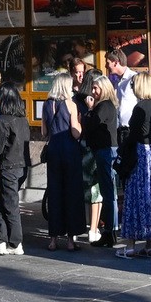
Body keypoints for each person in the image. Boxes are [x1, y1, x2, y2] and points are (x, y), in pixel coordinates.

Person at [116, 72, 151, 259]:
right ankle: (149, 245)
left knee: (135, 197)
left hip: (142, 156)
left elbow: (133, 135)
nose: (132, 88)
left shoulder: (139, 107)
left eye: (133, 85)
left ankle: (131, 246)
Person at [42, 75, 85, 251]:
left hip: (53, 150)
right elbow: (75, 133)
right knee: (71, 193)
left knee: (55, 192)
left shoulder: (46, 104)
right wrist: (81, 123)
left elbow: (44, 131)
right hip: (69, 150)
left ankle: (53, 239)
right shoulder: (71, 104)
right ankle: (70, 240)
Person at [0, 88, 30, 255]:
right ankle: (1, 240)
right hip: (21, 166)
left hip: (7, 166)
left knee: (9, 204)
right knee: (3, 201)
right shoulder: (22, 120)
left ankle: (14, 242)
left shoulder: (2, 121)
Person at [84, 74, 121, 246]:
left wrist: (90, 109)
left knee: (107, 192)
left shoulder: (103, 106)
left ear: (104, 89)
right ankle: (110, 230)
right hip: (107, 150)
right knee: (108, 191)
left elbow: (90, 125)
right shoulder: (109, 106)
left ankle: (110, 231)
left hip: (105, 151)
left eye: (96, 88)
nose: (93, 91)